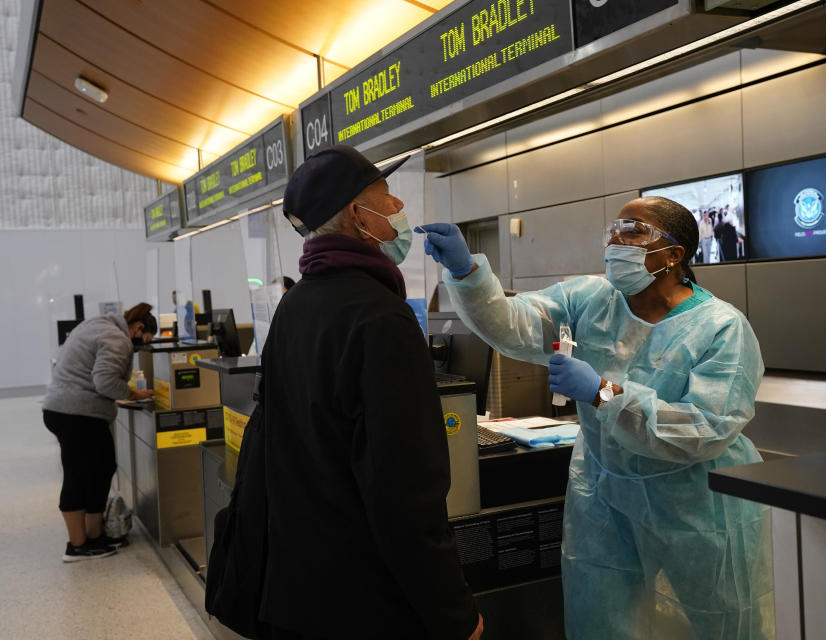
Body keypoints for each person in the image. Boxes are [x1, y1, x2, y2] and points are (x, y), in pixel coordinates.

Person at [417, 196, 773, 639]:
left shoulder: (721, 327)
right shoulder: (591, 298)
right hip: (606, 496)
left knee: (721, 620)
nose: (616, 240)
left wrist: (603, 392)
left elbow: (706, 428)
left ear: (674, 254)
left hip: (698, 506)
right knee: (602, 618)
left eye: (634, 231)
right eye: (614, 229)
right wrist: (467, 273)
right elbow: (516, 324)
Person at [257, 145, 482, 639]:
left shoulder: (296, 306)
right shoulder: (380, 316)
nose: (399, 208)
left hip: (303, 585)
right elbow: (404, 488)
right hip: (370, 600)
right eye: (387, 196)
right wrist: (454, 614)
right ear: (359, 216)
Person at [42, 303, 156, 562]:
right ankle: (77, 546)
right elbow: (104, 381)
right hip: (77, 413)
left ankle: (95, 535)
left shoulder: (98, 324)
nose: (140, 346)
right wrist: (131, 393)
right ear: (138, 328)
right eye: (144, 340)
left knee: (102, 468)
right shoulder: (117, 338)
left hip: (69, 410)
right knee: (79, 475)